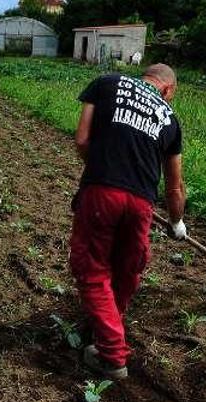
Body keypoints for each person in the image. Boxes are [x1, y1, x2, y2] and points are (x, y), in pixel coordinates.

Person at [70, 64, 187, 379]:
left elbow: (82, 140)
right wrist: (177, 222)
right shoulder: (169, 118)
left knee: (93, 268)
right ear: (167, 90)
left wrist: (102, 170)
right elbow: (174, 186)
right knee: (127, 267)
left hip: (102, 193)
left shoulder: (106, 83)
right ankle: (107, 326)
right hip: (141, 204)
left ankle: (111, 354)